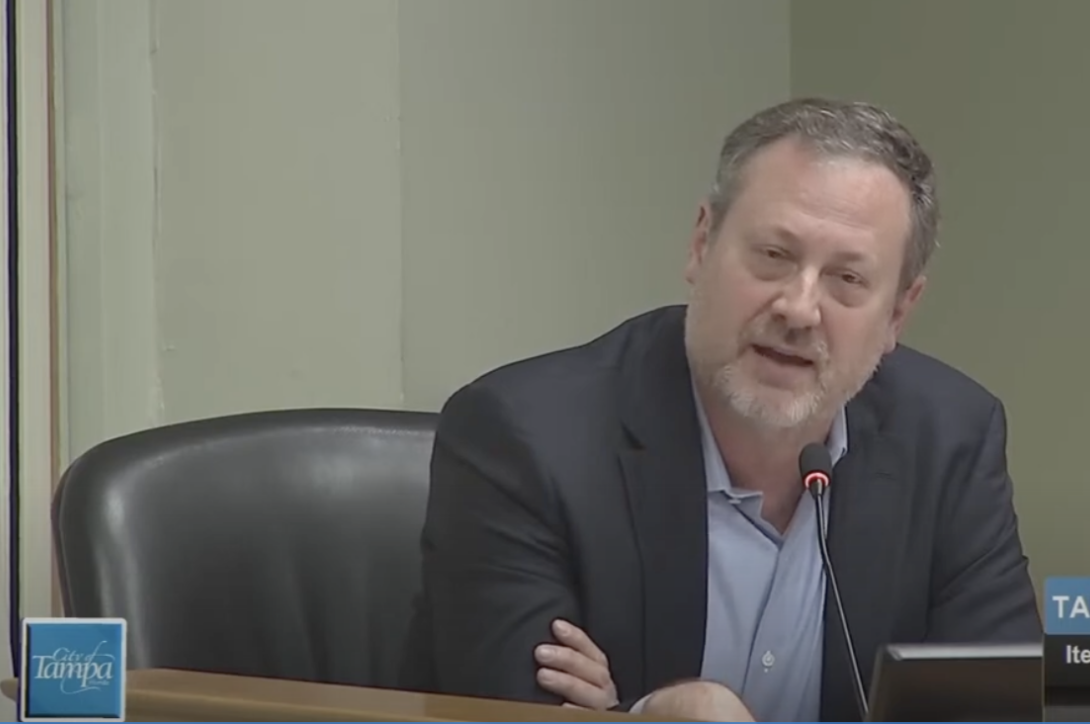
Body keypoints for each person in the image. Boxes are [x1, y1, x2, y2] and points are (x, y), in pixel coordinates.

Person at [399, 98, 1042, 722]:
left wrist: (622, 715)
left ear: (898, 312)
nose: (798, 308)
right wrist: (660, 715)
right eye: (773, 256)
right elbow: (510, 714)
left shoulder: (951, 439)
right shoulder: (524, 438)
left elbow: (1000, 709)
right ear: (701, 244)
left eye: (847, 279)